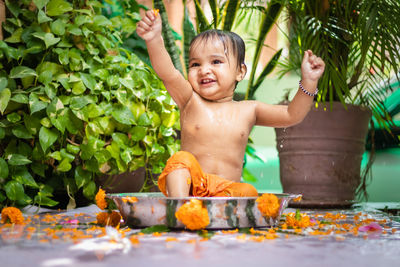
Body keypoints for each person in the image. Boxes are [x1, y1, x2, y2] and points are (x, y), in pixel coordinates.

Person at [136, 9, 325, 198]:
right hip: (192, 188)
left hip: (226, 192)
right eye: (195, 64)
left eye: (216, 61)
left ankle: (223, 214)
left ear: (240, 72)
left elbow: (292, 115)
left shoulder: (249, 109)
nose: (204, 70)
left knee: (248, 191)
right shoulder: (190, 100)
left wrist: (308, 82)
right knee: (180, 161)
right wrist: (154, 39)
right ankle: (180, 208)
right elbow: (167, 72)